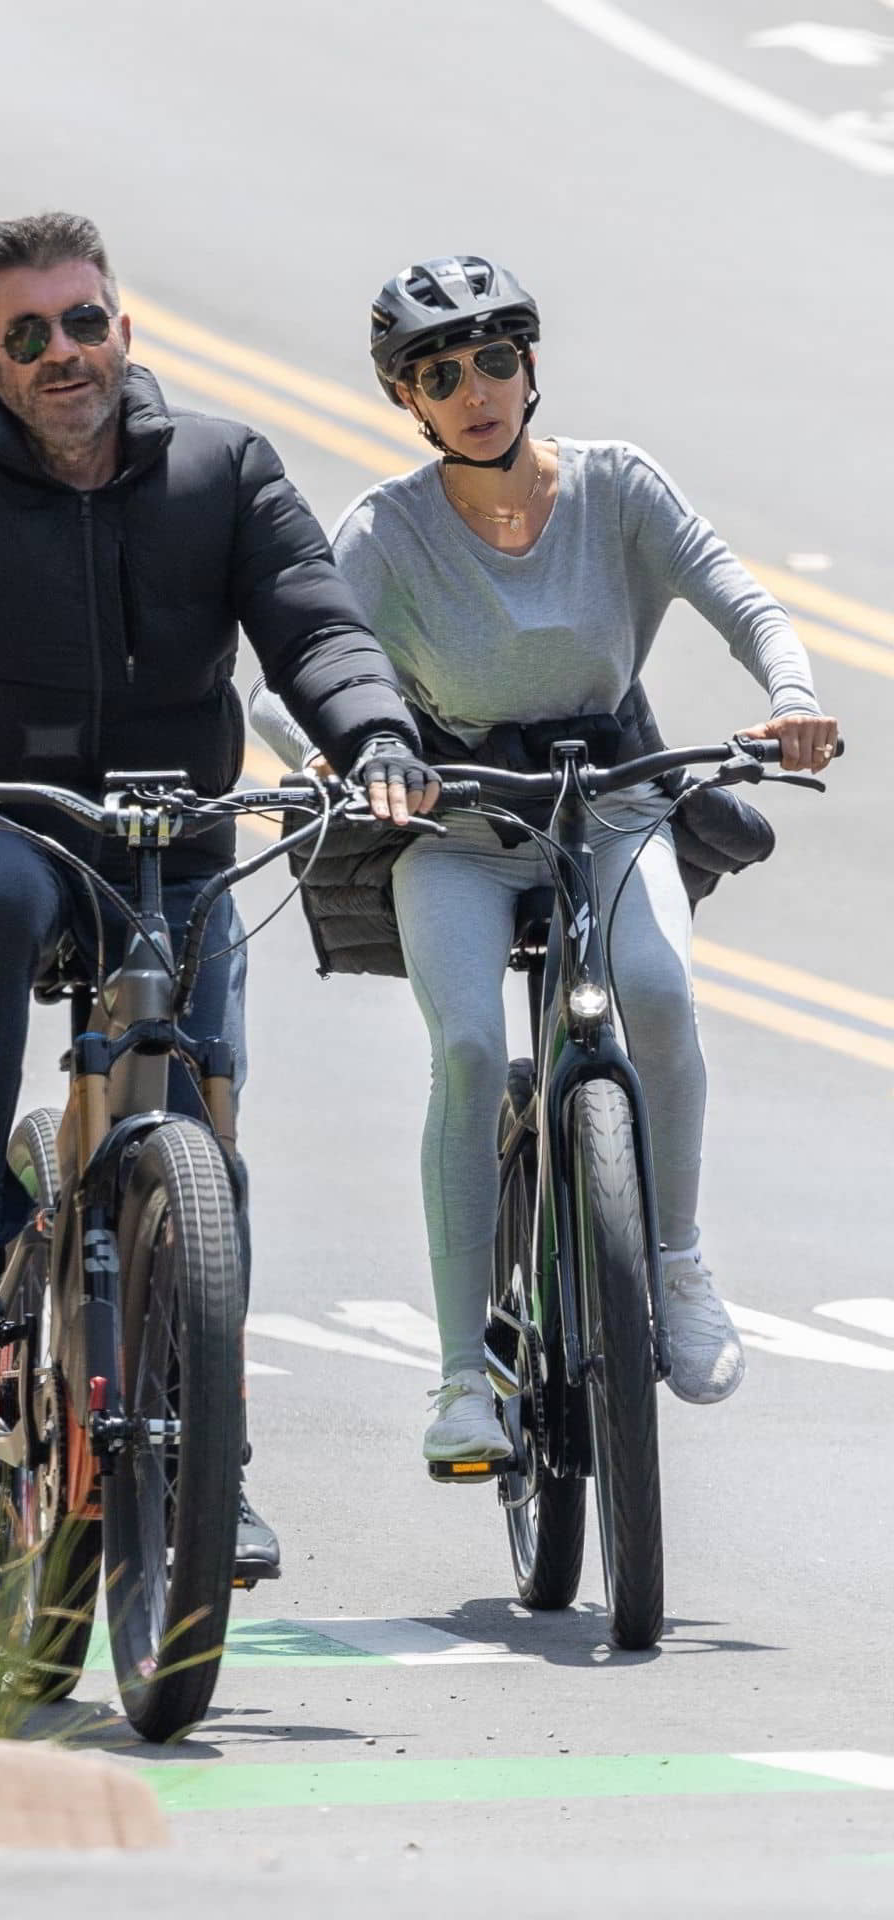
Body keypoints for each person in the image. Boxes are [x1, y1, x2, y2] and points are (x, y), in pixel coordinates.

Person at [0, 211, 438, 1574]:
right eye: (30, 334)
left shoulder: (224, 468)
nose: (63, 353)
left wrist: (373, 733)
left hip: (183, 835)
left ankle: (218, 1466)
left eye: (85, 323)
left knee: (211, 1142)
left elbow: (314, 621)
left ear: (124, 329)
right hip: (3, 814)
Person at [252, 253, 838, 1463]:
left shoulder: (618, 486)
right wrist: (345, 762)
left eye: (495, 359)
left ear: (531, 367)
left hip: (606, 805)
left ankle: (671, 1266)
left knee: (662, 994)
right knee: (467, 1049)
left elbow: (742, 600)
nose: (474, 389)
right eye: (438, 373)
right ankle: (461, 1380)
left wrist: (789, 694)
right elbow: (284, 684)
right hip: (460, 823)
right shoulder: (386, 529)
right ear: (405, 400)